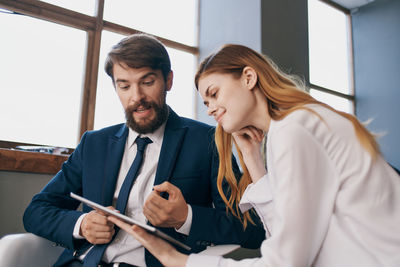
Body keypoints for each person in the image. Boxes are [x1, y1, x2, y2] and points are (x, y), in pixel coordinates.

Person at [108, 44, 400, 267]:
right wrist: (254, 163)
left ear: (248, 77)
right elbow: (283, 236)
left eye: (214, 93)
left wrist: (181, 261)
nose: (210, 108)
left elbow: (284, 262)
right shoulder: (291, 127)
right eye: (205, 102)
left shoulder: (295, 128)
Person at [23, 35, 265, 267]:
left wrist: (186, 217)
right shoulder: (93, 143)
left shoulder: (207, 140)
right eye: (124, 86)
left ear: (168, 80)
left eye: (147, 82)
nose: (136, 97)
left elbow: (252, 229)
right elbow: (36, 211)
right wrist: (82, 224)